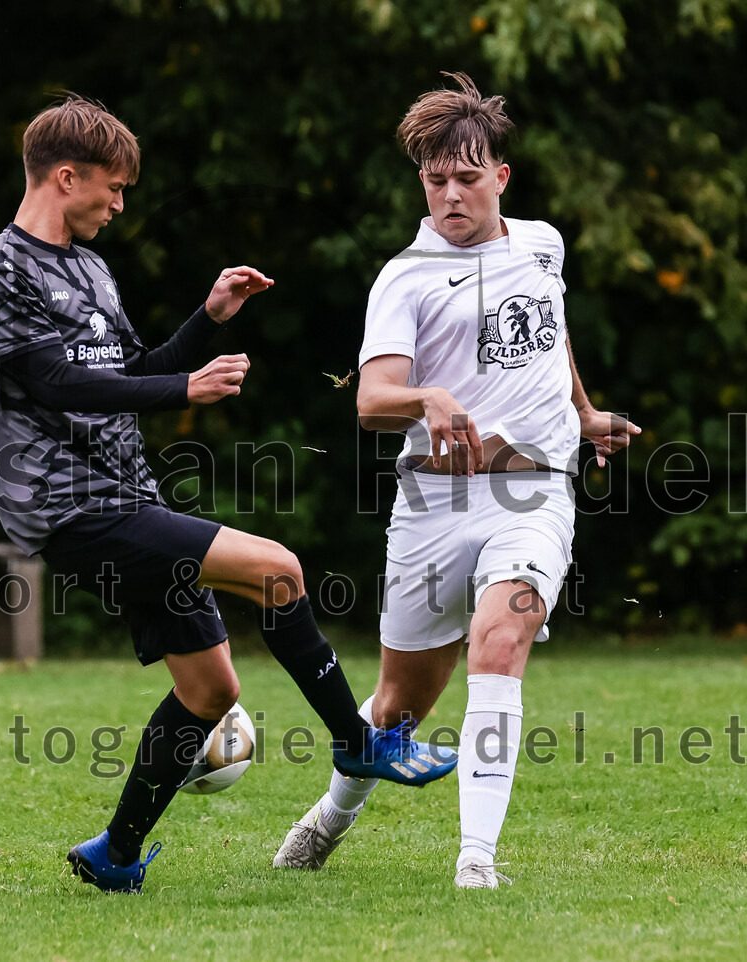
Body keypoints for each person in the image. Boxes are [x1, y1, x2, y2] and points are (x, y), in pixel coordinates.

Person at [0, 94, 457, 895]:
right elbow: (52, 383)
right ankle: (359, 743)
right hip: (66, 502)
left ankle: (114, 857)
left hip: (125, 490)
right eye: (112, 189)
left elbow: (124, 373)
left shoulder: (90, 267)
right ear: (64, 176)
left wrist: (206, 319)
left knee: (209, 688)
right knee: (279, 569)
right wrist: (185, 385)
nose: (120, 205)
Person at [272, 73, 640, 889]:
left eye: (466, 178)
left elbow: (554, 333)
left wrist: (581, 413)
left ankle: (476, 861)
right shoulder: (404, 276)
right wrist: (428, 398)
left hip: (534, 491)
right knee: (401, 705)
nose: (450, 195)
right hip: (434, 503)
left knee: (499, 642)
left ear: (500, 177)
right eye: (434, 180)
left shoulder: (543, 243)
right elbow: (371, 401)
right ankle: (329, 818)